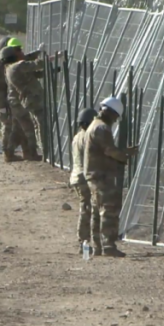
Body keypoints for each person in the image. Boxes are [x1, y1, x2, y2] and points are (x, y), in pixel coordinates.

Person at [84, 97, 139, 257]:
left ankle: (97, 247)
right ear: (110, 113)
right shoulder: (102, 128)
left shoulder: (94, 126)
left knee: (96, 211)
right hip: (101, 175)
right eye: (115, 117)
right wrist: (124, 157)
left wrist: (124, 152)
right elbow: (109, 151)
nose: (115, 121)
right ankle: (108, 246)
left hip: (94, 174)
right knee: (108, 209)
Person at [5, 37, 51, 159]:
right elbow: (36, 64)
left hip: (26, 100)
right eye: (19, 50)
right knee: (38, 125)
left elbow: (32, 70)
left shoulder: (11, 68)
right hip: (31, 99)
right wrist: (53, 57)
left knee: (30, 126)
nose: (22, 52)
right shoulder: (17, 66)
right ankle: (40, 152)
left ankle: (33, 151)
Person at [0, 40, 28, 162]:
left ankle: (22, 151)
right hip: (5, 100)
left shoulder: (5, 61)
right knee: (8, 126)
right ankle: (8, 153)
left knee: (18, 125)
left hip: (10, 98)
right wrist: (1, 105)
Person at [71, 108, 98, 255]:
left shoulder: (77, 136)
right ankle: (84, 242)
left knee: (87, 208)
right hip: (84, 177)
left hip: (77, 176)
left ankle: (85, 242)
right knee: (87, 209)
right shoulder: (88, 137)